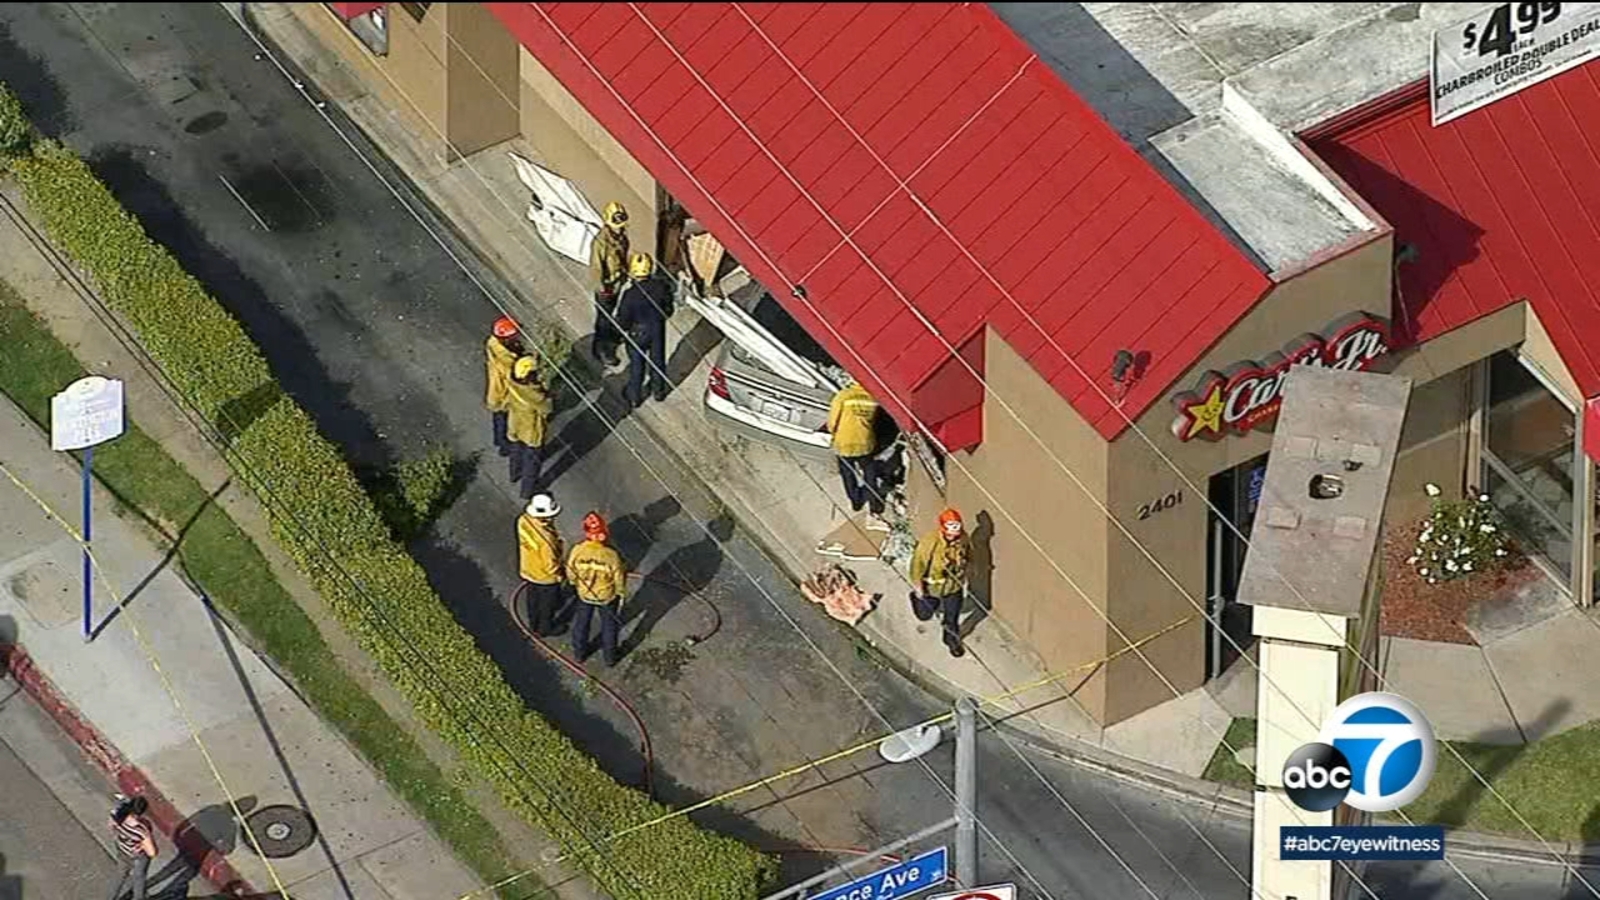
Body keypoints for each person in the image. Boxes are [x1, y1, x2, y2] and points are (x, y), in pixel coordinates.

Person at [826, 378, 888, 530]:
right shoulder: (873, 398)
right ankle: (875, 506)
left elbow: (832, 421)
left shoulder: (844, 396)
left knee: (848, 473)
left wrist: (834, 432)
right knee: (869, 473)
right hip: (865, 443)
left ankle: (856, 501)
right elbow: (874, 423)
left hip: (844, 442)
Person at [909, 508, 972, 658]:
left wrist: (969, 569)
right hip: (932, 588)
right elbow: (917, 566)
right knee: (924, 615)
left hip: (953, 586)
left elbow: (968, 554)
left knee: (952, 617)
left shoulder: (963, 538)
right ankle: (916, 600)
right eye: (950, 534)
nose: (953, 537)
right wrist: (918, 588)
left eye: (955, 534)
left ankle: (951, 640)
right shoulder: (929, 543)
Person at [615, 251, 675, 406]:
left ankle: (634, 397)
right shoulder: (661, 287)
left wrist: (622, 331)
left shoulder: (630, 295)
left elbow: (623, 319)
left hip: (637, 332)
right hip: (657, 329)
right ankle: (659, 392)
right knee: (658, 361)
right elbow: (669, 309)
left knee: (637, 366)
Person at [567, 511, 626, 666]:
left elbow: (570, 572)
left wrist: (575, 584)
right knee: (609, 626)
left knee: (582, 623)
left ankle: (579, 654)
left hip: (585, 594)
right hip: (606, 596)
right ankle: (610, 658)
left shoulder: (577, 550)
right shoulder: (611, 555)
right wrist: (620, 593)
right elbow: (618, 578)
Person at [589, 200, 631, 368]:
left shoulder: (621, 238)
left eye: (622, 225)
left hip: (616, 283)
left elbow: (623, 256)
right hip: (605, 288)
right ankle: (601, 350)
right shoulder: (601, 243)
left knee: (610, 315)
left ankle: (608, 339)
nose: (620, 228)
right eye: (617, 225)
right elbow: (596, 268)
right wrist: (602, 288)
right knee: (603, 320)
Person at [517, 493, 565, 637]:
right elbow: (551, 565)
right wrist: (560, 575)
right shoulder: (546, 539)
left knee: (532, 597)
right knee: (547, 604)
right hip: (545, 576)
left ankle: (533, 624)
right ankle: (545, 628)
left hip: (528, 567)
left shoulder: (523, 521)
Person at [506, 355, 553, 499]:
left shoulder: (512, 384)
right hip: (532, 433)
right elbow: (547, 409)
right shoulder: (535, 396)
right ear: (529, 376)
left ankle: (514, 474)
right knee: (531, 465)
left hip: (514, 425)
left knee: (516, 453)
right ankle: (527, 491)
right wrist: (546, 393)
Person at [484, 316, 523, 457]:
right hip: (503, 397)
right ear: (506, 339)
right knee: (505, 422)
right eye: (515, 335)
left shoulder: (493, 344)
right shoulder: (507, 361)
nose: (518, 337)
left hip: (495, 394)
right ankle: (505, 446)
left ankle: (499, 441)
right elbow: (515, 374)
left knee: (498, 420)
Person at [107, 793, 157, 900]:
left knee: (119, 876)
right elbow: (152, 852)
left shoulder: (118, 815)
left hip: (122, 850)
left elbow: (111, 826)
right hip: (137, 856)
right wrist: (145, 841)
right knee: (139, 879)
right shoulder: (141, 830)